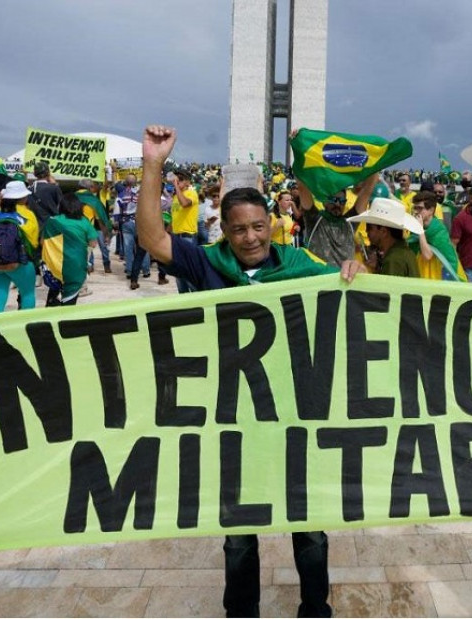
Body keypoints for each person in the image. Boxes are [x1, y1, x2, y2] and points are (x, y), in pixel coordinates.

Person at [136, 124, 367, 618]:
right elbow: (153, 239)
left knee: (309, 528)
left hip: (296, 417)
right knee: (239, 536)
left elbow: (357, 281)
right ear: (224, 228)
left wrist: (355, 270)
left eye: (258, 227)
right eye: (238, 229)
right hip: (234, 423)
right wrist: (153, 163)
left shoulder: (298, 264)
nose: (250, 238)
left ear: (273, 224)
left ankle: (315, 609)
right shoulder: (207, 264)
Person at [0, 181, 39, 314]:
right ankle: (25, 326)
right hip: (19, 263)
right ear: (24, 198)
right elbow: (33, 242)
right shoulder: (28, 215)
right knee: (27, 295)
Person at [298, 174, 376, 267]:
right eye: (333, 199)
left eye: (342, 201)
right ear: (324, 201)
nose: (338, 204)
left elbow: (367, 191)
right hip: (320, 280)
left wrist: (377, 165)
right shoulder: (314, 219)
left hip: (345, 279)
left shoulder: (349, 223)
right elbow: (302, 188)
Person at [42, 194, 99, 307]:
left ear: (61, 207)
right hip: (76, 266)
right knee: (70, 300)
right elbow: (93, 243)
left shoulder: (52, 221)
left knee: (53, 291)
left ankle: (51, 311)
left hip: (55, 265)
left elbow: (42, 242)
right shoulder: (84, 221)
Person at [349, 197, 422, 277]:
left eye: (369, 228)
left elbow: (387, 289)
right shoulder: (405, 252)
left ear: (383, 232)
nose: (366, 232)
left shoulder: (393, 260)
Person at [407, 191, 465, 281]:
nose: (415, 211)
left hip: (439, 276)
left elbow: (427, 255)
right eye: (415, 207)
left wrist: (420, 230)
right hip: (422, 273)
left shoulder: (438, 230)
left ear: (431, 210)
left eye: (420, 208)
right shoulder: (416, 228)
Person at [168, 169, 201, 293]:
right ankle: (183, 296)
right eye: (176, 180)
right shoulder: (176, 196)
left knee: (188, 269)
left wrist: (176, 187)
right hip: (176, 236)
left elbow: (185, 204)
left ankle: (196, 295)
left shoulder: (191, 193)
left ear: (187, 182)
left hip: (188, 236)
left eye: (180, 180)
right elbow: (174, 217)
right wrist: (167, 232)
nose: (177, 182)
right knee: (178, 271)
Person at [76, 179, 113, 274]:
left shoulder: (71, 198)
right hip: (89, 230)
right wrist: (107, 234)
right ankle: (88, 268)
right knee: (90, 250)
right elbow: (100, 219)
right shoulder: (93, 201)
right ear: (90, 188)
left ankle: (89, 266)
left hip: (73, 230)